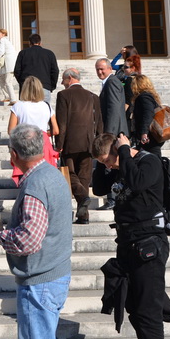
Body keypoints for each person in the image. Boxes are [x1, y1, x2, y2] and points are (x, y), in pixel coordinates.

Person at [0, 124, 72, 339]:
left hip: (40, 281)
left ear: (14, 155)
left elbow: (29, 239)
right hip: (54, 273)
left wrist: (2, 236)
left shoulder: (35, 185)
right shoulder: (53, 175)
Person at [92, 132, 170, 339]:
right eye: (103, 163)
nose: (107, 166)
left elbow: (137, 182)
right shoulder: (116, 168)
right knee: (135, 308)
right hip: (128, 244)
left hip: (149, 245)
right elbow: (100, 188)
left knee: (147, 310)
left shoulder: (149, 162)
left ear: (120, 150)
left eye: (108, 161)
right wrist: (102, 164)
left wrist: (124, 151)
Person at [55, 68, 102, 224]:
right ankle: (83, 216)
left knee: (70, 174)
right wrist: (99, 143)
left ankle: (83, 197)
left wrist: (58, 144)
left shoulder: (63, 95)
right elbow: (99, 122)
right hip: (89, 143)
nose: (62, 83)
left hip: (70, 142)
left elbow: (61, 123)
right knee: (84, 178)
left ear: (70, 78)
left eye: (63, 80)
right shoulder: (92, 96)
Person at [7, 76, 59, 176]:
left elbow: (11, 131)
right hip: (43, 144)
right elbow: (56, 130)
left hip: (24, 143)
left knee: (26, 176)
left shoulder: (18, 106)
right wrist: (41, 133)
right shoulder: (46, 106)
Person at [95, 58, 129, 210]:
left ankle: (113, 199)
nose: (100, 72)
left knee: (111, 165)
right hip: (114, 131)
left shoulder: (112, 82)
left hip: (114, 133)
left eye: (102, 69)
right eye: (97, 69)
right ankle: (113, 198)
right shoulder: (109, 82)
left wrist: (109, 135)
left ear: (109, 68)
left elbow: (114, 109)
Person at [13, 34, 59, 104]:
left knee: (26, 112)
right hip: (44, 87)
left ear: (29, 43)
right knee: (44, 112)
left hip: (27, 87)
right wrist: (51, 86)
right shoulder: (49, 54)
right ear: (40, 43)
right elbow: (55, 71)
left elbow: (17, 71)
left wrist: (23, 83)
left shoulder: (23, 53)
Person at [130, 74, 165, 158]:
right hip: (152, 137)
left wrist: (144, 133)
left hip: (149, 137)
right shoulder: (150, 96)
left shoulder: (144, 97)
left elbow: (148, 114)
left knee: (153, 160)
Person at [0, 28, 18, 104]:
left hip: (9, 65)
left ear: (3, 34)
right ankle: (7, 96)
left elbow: (1, 51)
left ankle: (13, 99)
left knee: (8, 82)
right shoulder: (6, 41)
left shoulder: (2, 40)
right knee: (1, 79)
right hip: (6, 65)